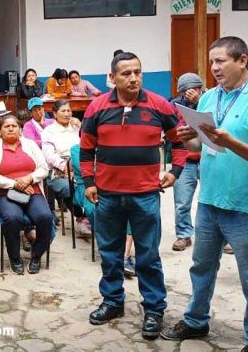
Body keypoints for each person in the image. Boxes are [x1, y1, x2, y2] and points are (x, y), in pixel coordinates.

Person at [161, 37, 248, 352]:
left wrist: (232, 143)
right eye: (212, 62)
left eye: (221, 61)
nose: (214, 68)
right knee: (201, 267)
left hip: (247, 207)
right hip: (209, 201)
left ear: (242, 60)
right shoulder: (209, 98)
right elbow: (202, 146)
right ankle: (196, 320)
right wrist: (188, 138)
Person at [80, 51, 188, 339]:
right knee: (110, 254)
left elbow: (179, 141)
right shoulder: (97, 107)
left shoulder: (159, 105)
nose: (133, 78)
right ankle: (113, 301)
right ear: (112, 77)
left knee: (148, 256)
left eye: (137, 72)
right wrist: (89, 182)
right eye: (126, 73)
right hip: (108, 196)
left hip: (145, 195)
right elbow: (86, 149)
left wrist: (175, 171)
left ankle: (154, 309)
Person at [0, 115, 52, 275]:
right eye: (6, 126)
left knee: (45, 216)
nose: (10, 129)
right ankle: (15, 258)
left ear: (20, 129)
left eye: (14, 126)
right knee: (13, 218)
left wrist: (29, 179)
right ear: (0, 130)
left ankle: (36, 256)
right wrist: (15, 184)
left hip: (32, 191)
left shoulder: (30, 145)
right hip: (5, 193)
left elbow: (44, 168)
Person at [41, 99, 92, 237]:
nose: (67, 114)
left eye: (69, 110)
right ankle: (81, 217)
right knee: (68, 187)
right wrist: (65, 166)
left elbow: (88, 145)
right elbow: (49, 155)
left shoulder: (76, 128)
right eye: (63, 111)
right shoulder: (48, 131)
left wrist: (81, 127)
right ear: (54, 114)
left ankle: (92, 215)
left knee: (91, 184)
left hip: (80, 164)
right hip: (59, 169)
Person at [169, 72, 205, 252]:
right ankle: (183, 235)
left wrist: (200, 102)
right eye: (186, 90)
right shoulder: (174, 106)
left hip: (209, 159)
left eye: (194, 89)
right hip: (185, 160)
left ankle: (220, 237)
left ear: (200, 89)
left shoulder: (210, 101)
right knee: (182, 202)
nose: (190, 93)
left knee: (213, 201)